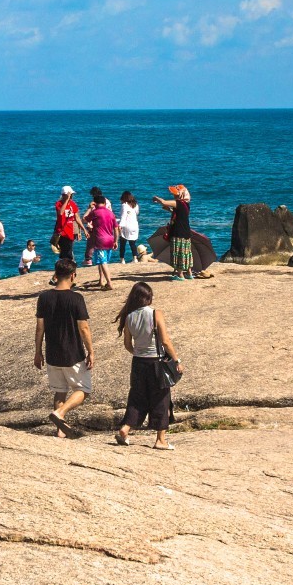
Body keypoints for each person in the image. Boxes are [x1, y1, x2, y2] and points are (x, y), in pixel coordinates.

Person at [114, 282, 179, 450]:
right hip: (156, 362)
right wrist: (176, 360)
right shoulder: (156, 314)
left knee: (137, 398)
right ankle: (160, 440)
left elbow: (127, 344)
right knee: (161, 399)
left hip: (138, 362)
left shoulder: (129, 316)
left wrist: (139, 352)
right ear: (148, 297)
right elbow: (165, 341)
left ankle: (125, 429)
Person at [34, 259, 92, 438]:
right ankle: (61, 413)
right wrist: (91, 350)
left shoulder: (44, 297)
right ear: (73, 275)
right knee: (83, 390)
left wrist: (38, 352)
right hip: (72, 353)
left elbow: (39, 327)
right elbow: (83, 328)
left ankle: (60, 431)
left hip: (52, 352)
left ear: (56, 274)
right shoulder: (76, 298)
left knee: (60, 390)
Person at [153, 184, 197, 280]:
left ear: (180, 195)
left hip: (178, 232)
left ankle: (180, 274)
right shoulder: (186, 205)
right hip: (186, 232)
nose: (174, 196)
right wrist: (169, 210)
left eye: (175, 194)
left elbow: (164, 202)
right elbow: (180, 215)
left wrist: (157, 198)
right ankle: (189, 273)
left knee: (178, 252)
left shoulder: (178, 203)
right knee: (186, 252)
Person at [86, 190, 119, 291]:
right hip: (110, 239)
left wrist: (89, 208)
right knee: (102, 261)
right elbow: (116, 228)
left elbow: (84, 219)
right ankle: (101, 280)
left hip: (100, 240)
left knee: (103, 261)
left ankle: (109, 283)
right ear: (105, 203)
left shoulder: (95, 212)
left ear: (95, 203)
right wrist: (116, 241)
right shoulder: (111, 213)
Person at [51, 186, 82, 265]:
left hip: (70, 232)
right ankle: (64, 269)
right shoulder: (58, 203)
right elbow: (61, 213)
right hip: (62, 232)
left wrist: (82, 230)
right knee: (65, 253)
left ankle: (65, 268)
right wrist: (67, 200)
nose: (72, 196)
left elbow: (77, 218)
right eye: (70, 194)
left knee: (68, 252)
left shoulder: (73, 204)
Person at [118, 192, 142, 263]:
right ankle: (135, 258)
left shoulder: (124, 205)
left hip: (126, 225)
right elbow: (136, 213)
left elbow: (123, 216)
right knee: (132, 243)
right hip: (134, 225)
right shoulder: (135, 205)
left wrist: (120, 225)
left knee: (122, 243)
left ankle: (122, 259)